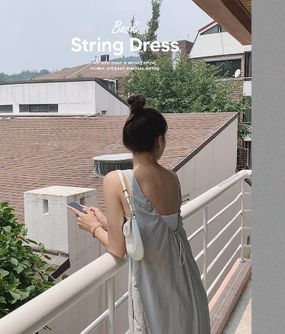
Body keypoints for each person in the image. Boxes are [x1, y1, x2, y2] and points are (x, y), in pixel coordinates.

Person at [68, 95, 211, 333]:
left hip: (155, 289)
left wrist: (93, 227)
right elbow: (154, 227)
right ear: (159, 140)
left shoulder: (117, 180)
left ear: (128, 142)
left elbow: (117, 249)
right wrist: (106, 221)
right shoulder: (172, 178)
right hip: (187, 282)